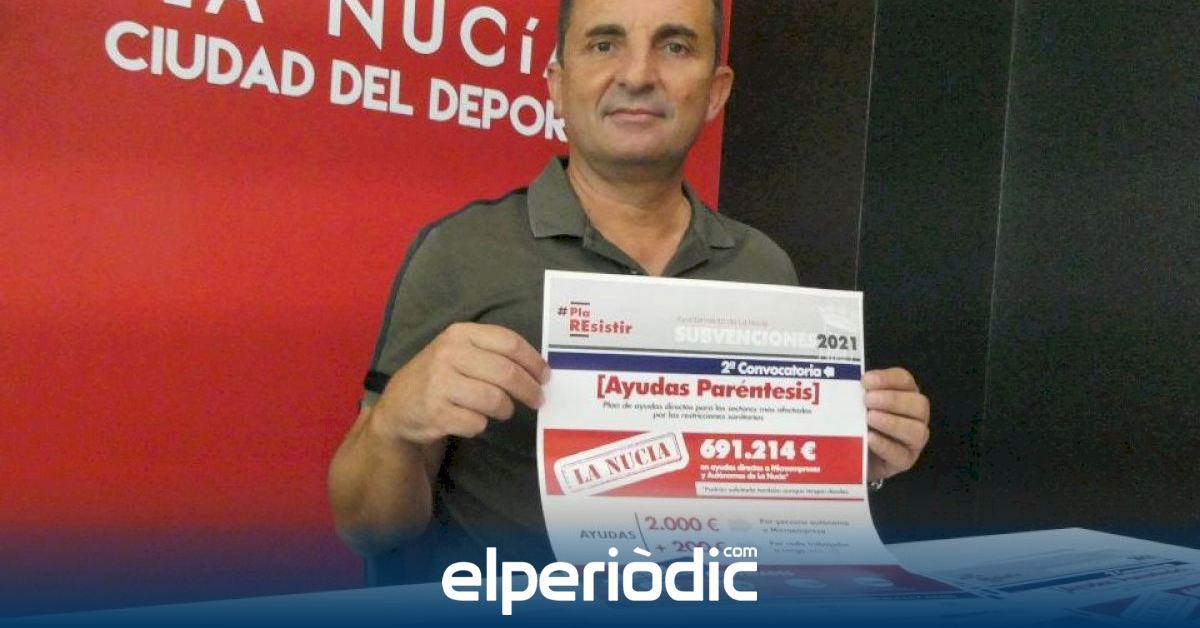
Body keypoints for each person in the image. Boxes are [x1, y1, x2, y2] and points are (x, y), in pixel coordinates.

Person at [328, 0, 931, 580]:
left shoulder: (763, 268)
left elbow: (765, 519)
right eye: (604, 44)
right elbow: (366, 529)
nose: (638, 75)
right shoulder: (460, 252)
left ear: (716, 90)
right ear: (558, 84)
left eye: (675, 46)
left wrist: (845, 464)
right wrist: (392, 427)